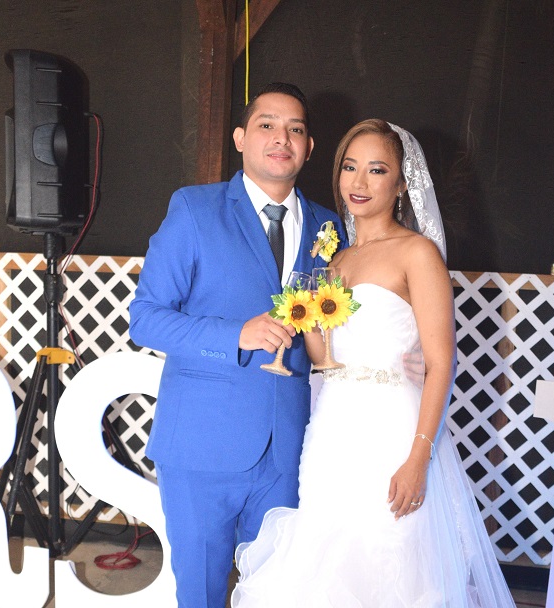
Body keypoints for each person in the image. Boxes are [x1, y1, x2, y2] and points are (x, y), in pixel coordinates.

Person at [231, 119, 517, 607]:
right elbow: (325, 362)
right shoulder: (336, 261)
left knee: (393, 566)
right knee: (327, 570)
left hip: (391, 432)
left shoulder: (417, 253)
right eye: (350, 167)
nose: (359, 182)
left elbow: (441, 362)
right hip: (331, 432)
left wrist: (418, 458)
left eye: (377, 170)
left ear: (402, 183)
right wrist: (305, 316)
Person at [129, 82, 345, 608]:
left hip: (290, 451)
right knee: (202, 595)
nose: (281, 138)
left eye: (295, 129)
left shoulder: (330, 226)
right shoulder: (194, 209)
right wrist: (234, 335)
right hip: (202, 446)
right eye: (267, 125)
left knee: (277, 594)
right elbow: (145, 320)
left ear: (309, 147)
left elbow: (340, 323)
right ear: (240, 138)